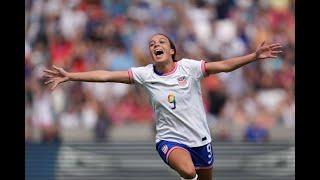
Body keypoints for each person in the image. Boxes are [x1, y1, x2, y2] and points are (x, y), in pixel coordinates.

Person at [43, 33, 282, 180]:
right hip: (169, 139)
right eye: (151, 43)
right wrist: (72, 76)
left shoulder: (189, 68)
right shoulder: (145, 74)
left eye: (160, 42)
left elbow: (225, 65)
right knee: (189, 172)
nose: (155, 45)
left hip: (200, 138)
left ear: (171, 50)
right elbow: (106, 75)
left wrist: (253, 56)